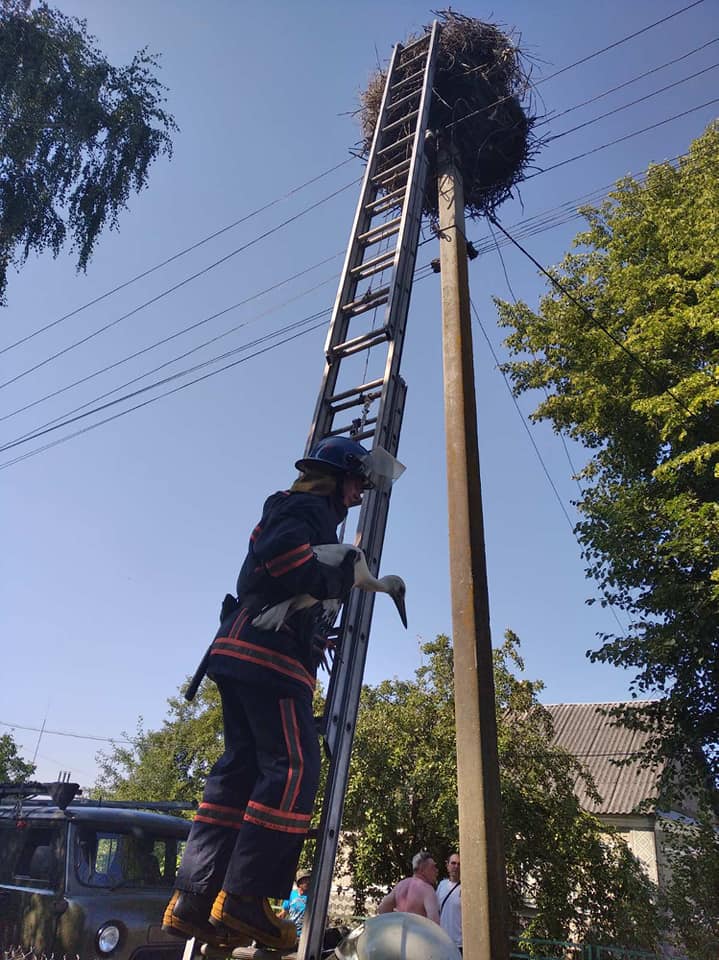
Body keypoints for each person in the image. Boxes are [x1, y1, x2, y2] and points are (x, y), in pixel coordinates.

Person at [162, 437, 380, 951]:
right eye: (356, 481)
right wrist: (336, 578)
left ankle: (193, 900)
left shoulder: (299, 507)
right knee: (293, 766)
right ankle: (245, 897)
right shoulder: (306, 507)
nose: (359, 492)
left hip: (241, 651)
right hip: (270, 660)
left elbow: (276, 573)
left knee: (238, 772)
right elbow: (284, 557)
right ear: (336, 477)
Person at [377, 850, 440, 923]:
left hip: (401, 929)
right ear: (422, 870)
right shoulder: (427, 890)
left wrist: (396, 920)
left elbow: (382, 909)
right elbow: (434, 922)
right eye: (433, 867)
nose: (437, 870)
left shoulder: (401, 885)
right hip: (417, 930)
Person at [436, 852, 461, 954]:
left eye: (459, 864)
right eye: (453, 863)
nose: (456, 866)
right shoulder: (442, 885)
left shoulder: (466, 888)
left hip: (460, 943)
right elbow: (436, 911)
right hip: (443, 942)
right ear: (447, 865)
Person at [279, 868, 311, 941]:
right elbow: (284, 912)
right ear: (299, 882)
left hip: (305, 936)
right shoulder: (291, 895)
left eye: (308, 879)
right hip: (292, 934)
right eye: (305, 880)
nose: (307, 882)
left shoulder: (313, 896)